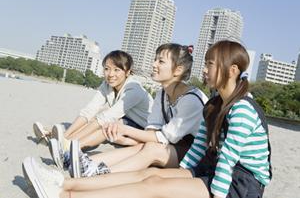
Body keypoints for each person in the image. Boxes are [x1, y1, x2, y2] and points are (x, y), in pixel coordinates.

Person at [22, 40, 271, 198]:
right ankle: (65, 184)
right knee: (152, 177)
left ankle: (69, 195)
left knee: (153, 189)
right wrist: (181, 174)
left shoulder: (242, 109)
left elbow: (228, 158)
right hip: (210, 167)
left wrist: (213, 193)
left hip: (240, 184)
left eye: (210, 64)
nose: (204, 70)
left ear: (232, 70)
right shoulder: (214, 105)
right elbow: (199, 147)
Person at [68, 43, 208, 178]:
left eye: (160, 61)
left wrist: (124, 131)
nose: (154, 65)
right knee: (146, 146)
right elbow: (152, 132)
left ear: (178, 70)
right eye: (155, 60)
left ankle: (102, 174)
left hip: (196, 158)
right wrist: (126, 140)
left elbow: (164, 137)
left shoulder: (191, 100)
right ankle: (81, 162)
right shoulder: (162, 94)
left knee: (152, 149)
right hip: (173, 148)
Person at [33, 50, 154, 169]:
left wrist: (70, 141)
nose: (111, 74)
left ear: (127, 72)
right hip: (128, 121)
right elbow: (89, 110)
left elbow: (106, 118)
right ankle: (61, 141)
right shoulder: (107, 85)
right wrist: (66, 135)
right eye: (107, 69)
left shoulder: (134, 89)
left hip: (146, 131)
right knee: (95, 121)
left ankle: (69, 148)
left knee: (108, 126)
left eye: (117, 70)